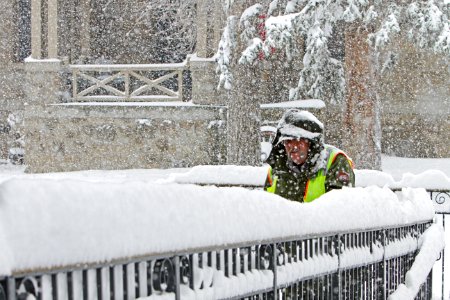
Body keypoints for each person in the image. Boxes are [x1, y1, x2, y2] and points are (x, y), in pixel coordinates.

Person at [264, 109, 355, 202]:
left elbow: (340, 207)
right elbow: (267, 207)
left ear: (311, 143)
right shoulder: (277, 167)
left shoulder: (335, 161)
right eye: (288, 141)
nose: (293, 146)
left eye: (299, 140)